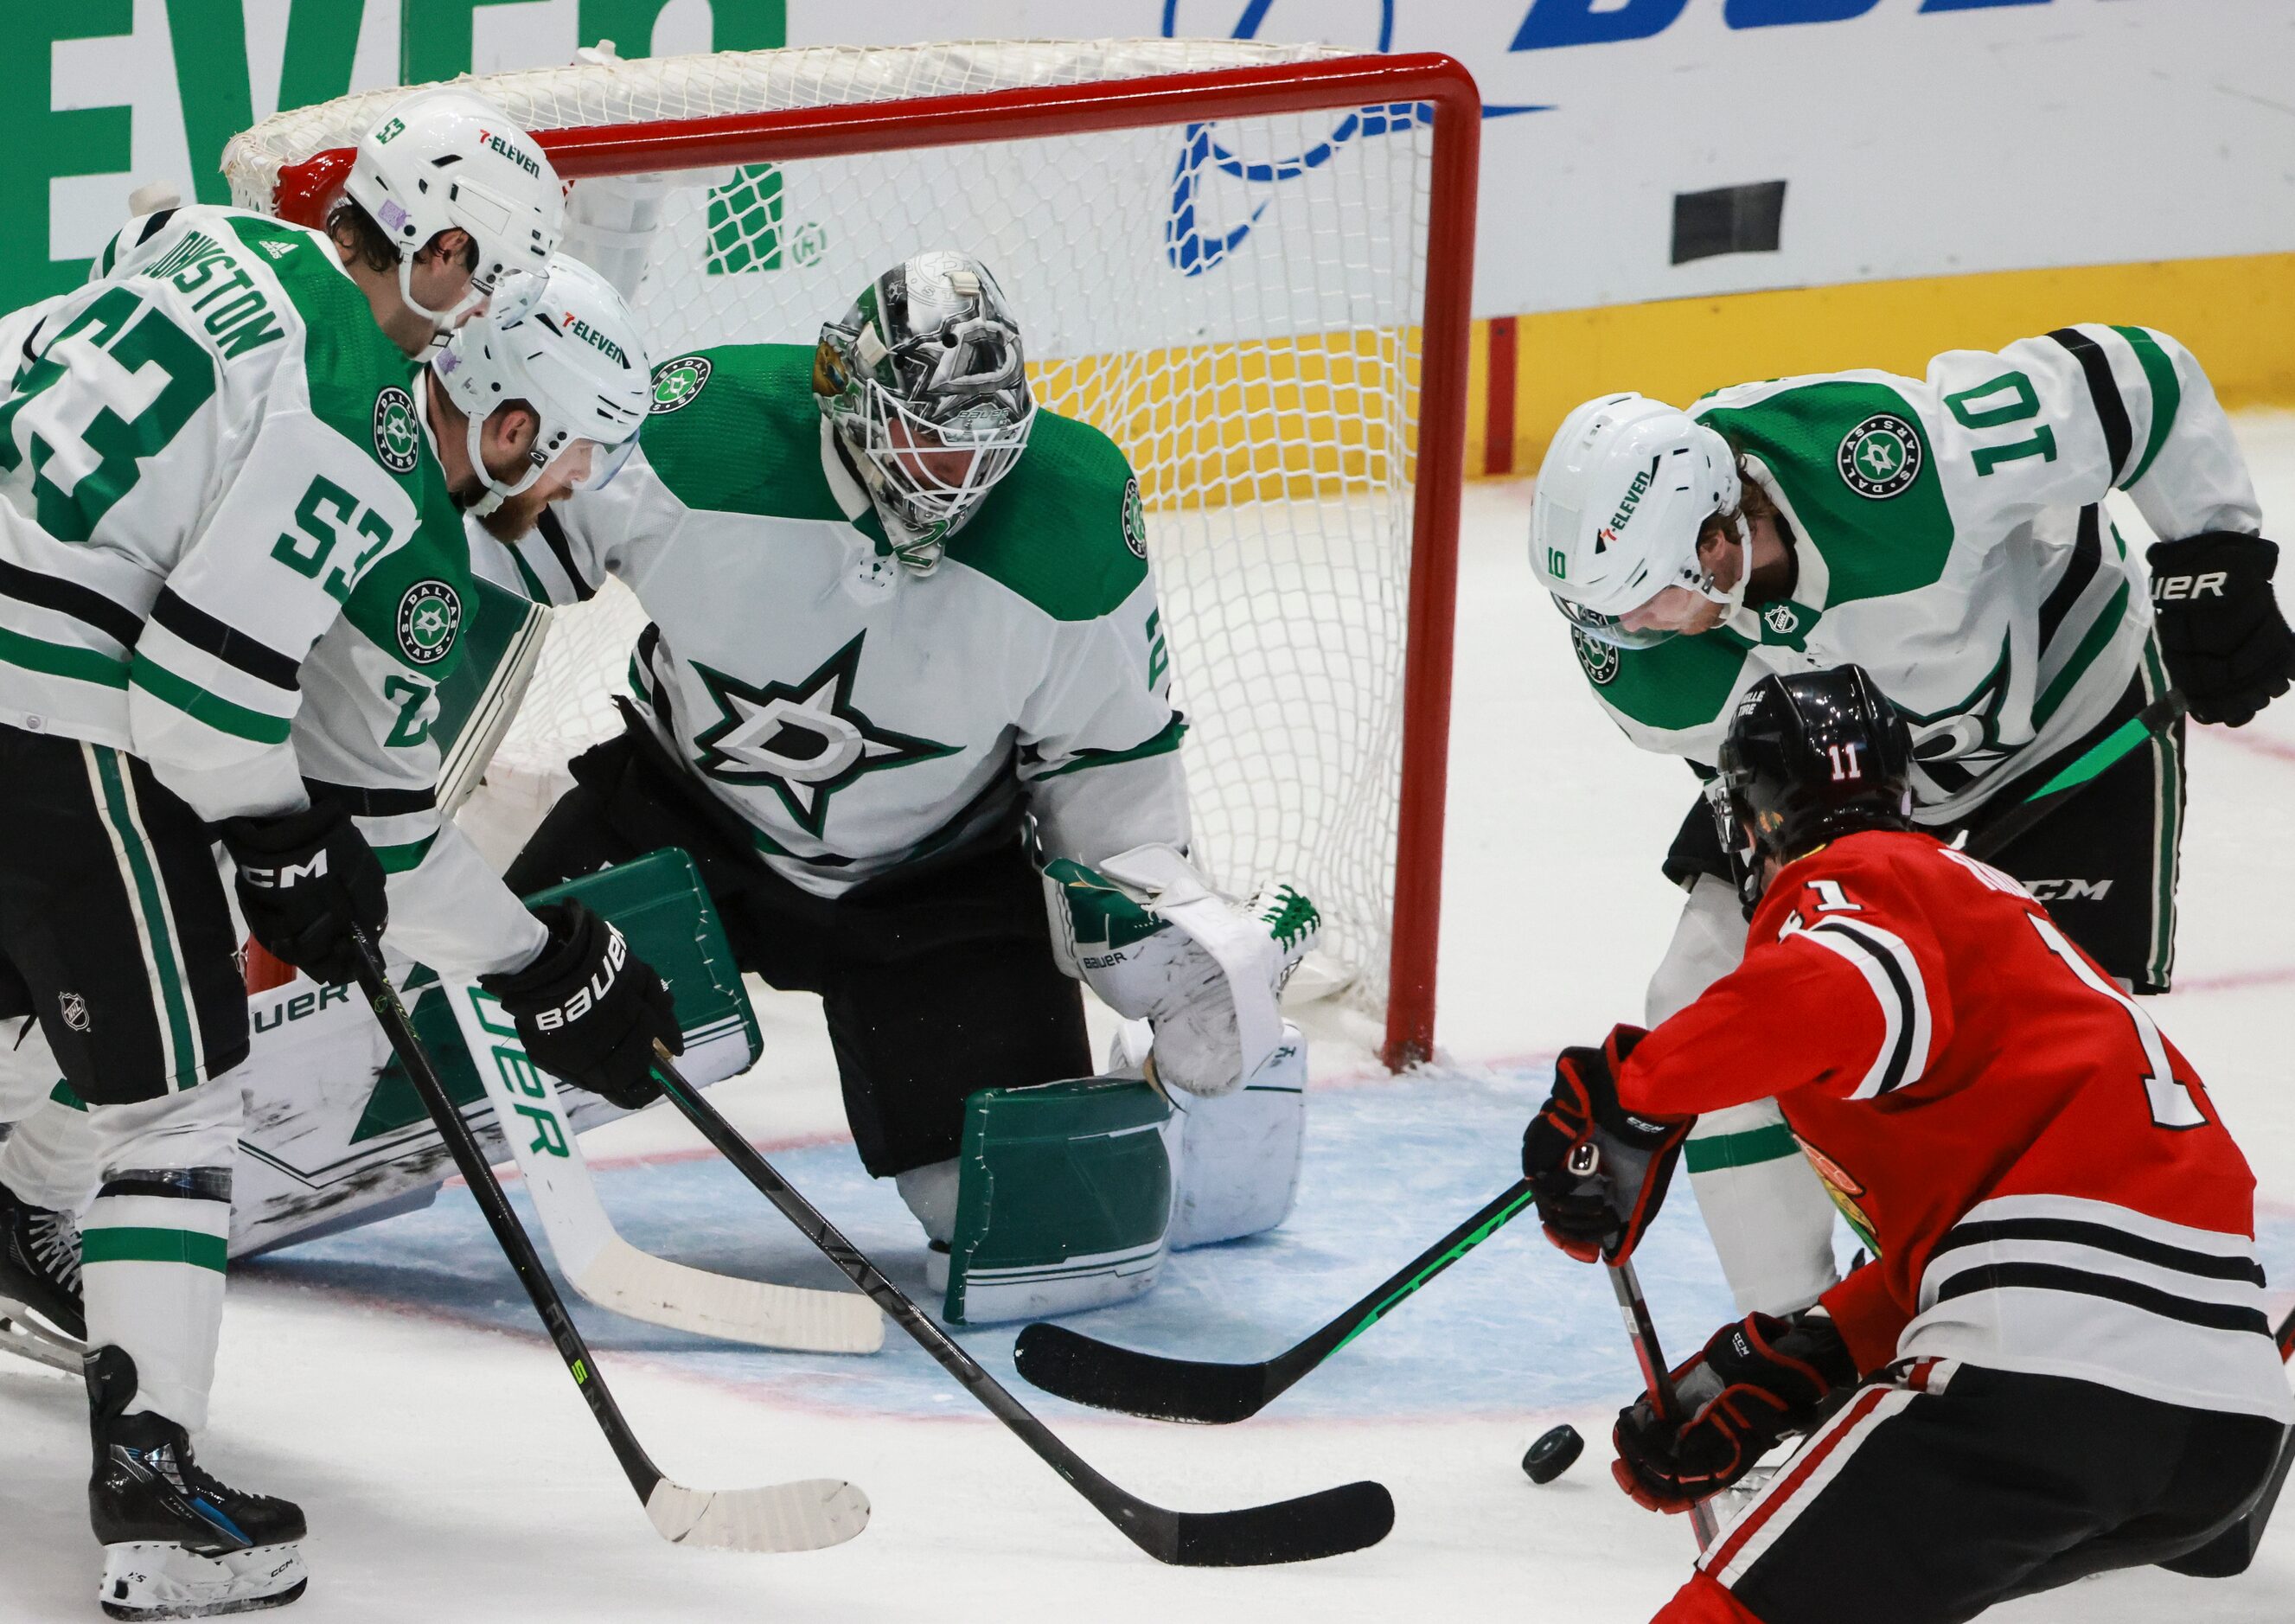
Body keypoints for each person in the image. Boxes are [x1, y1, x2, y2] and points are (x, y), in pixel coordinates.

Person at [0, 91, 676, 1617]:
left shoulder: (219, 238)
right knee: (177, 1086)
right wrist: (285, 844)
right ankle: (157, 1492)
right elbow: (191, 711)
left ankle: (13, 1207)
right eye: (484, 289)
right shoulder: (364, 417)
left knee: (38, 1000)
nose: (474, 327)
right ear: (440, 256)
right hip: (40, 703)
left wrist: (527, 955)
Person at [480, 248, 1314, 1286]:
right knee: (450, 1047)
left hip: (940, 890)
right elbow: (501, 551)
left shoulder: (1074, 523)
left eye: (977, 450)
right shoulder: (701, 431)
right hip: (678, 828)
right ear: (842, 389)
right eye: (922, 436)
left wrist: (1170, 952)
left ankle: (1156, 1154)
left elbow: (1106, 773)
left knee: (1045, 1240)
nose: (949, 478)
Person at [1529, 330, 2295, 1320]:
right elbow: (1784, 891)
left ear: (1712, 537)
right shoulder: (1647, 672)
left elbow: (2135, 381)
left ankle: (2090, 1304)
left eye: (1644, 603)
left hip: (2069, 734)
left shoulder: (1887, 458)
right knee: (1703, 989)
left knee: (2053, 1049)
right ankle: (1794, 1339)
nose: (1628, 638)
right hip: (1840, 791)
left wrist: (2211, 553)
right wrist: (1683, 1077)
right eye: (1603, 617)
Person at [1518, 664, 2293, 1624]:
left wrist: (1635, 1096)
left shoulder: (1851, 881)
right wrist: (1801, 1361)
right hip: (2223, 1423)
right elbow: (2024, 1228)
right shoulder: (1995, 915)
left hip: (2043, 1375)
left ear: (1749, 822)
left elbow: (1843, 986)